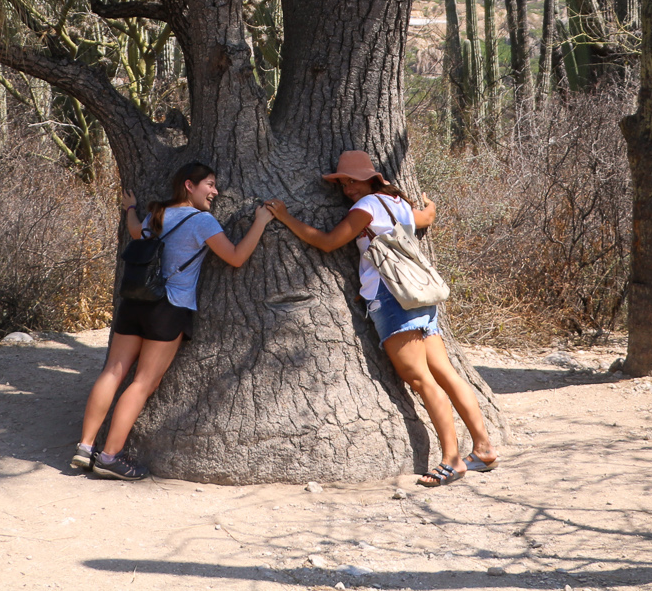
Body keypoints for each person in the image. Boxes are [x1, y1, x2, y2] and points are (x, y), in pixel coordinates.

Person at [264, 150, 497, 487]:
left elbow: (329, 242)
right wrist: (430, 206)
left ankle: (452, 460)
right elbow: (425, 219)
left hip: (392, 297)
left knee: (419, 379)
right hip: (420, 294)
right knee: (444, 373)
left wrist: (285, 218)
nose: (347, 188)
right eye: (343, 183)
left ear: (370, 179)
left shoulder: (366, 208)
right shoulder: (397, 204)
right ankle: (484, 448)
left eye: (353, 180)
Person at [75, 161, 273, 480]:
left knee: (114, 371)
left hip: (134, 302)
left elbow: (134, 231)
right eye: (209, 184)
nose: (215, 191)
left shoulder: (158, 214)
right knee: (142, 383)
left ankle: (85, 447)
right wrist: (261, 222)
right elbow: (235, 257)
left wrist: (130, 208)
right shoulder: (202, 221)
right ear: (189, 185)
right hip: (168, 306)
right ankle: (109, 456)